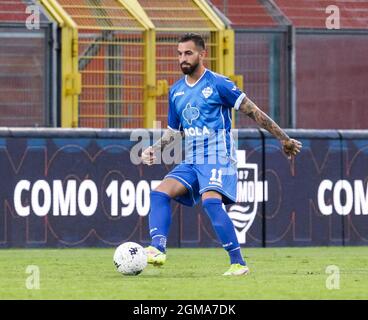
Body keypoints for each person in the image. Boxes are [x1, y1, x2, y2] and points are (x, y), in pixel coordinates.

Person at [141, 33, 302, 276]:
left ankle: (238, 263)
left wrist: (283, 138)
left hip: (218, 155)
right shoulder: (176, 91)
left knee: (211, 202)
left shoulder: (218, 84)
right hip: (193, 159)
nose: (182, 58)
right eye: (179, 54)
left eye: (188, 53)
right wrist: (155, 149)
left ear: (202, 54)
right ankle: (157, 249)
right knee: (159, 194)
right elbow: (175, 131)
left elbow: (253, 111)